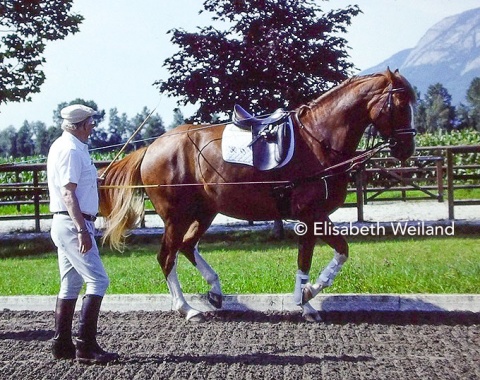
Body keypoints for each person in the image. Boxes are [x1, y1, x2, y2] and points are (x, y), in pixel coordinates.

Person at [47, 104, 119, 364]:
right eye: (90, 122)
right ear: (78, 125)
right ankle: (86, 347)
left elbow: (74, 186)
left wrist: (93, 182)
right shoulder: (71, 150)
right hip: (73, 224)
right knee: (98, 281)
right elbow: (67, 193)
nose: (93, 126)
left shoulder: (66, 146)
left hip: (67, 223)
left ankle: (62, 344)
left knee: (71, 284)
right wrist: (81, 230)